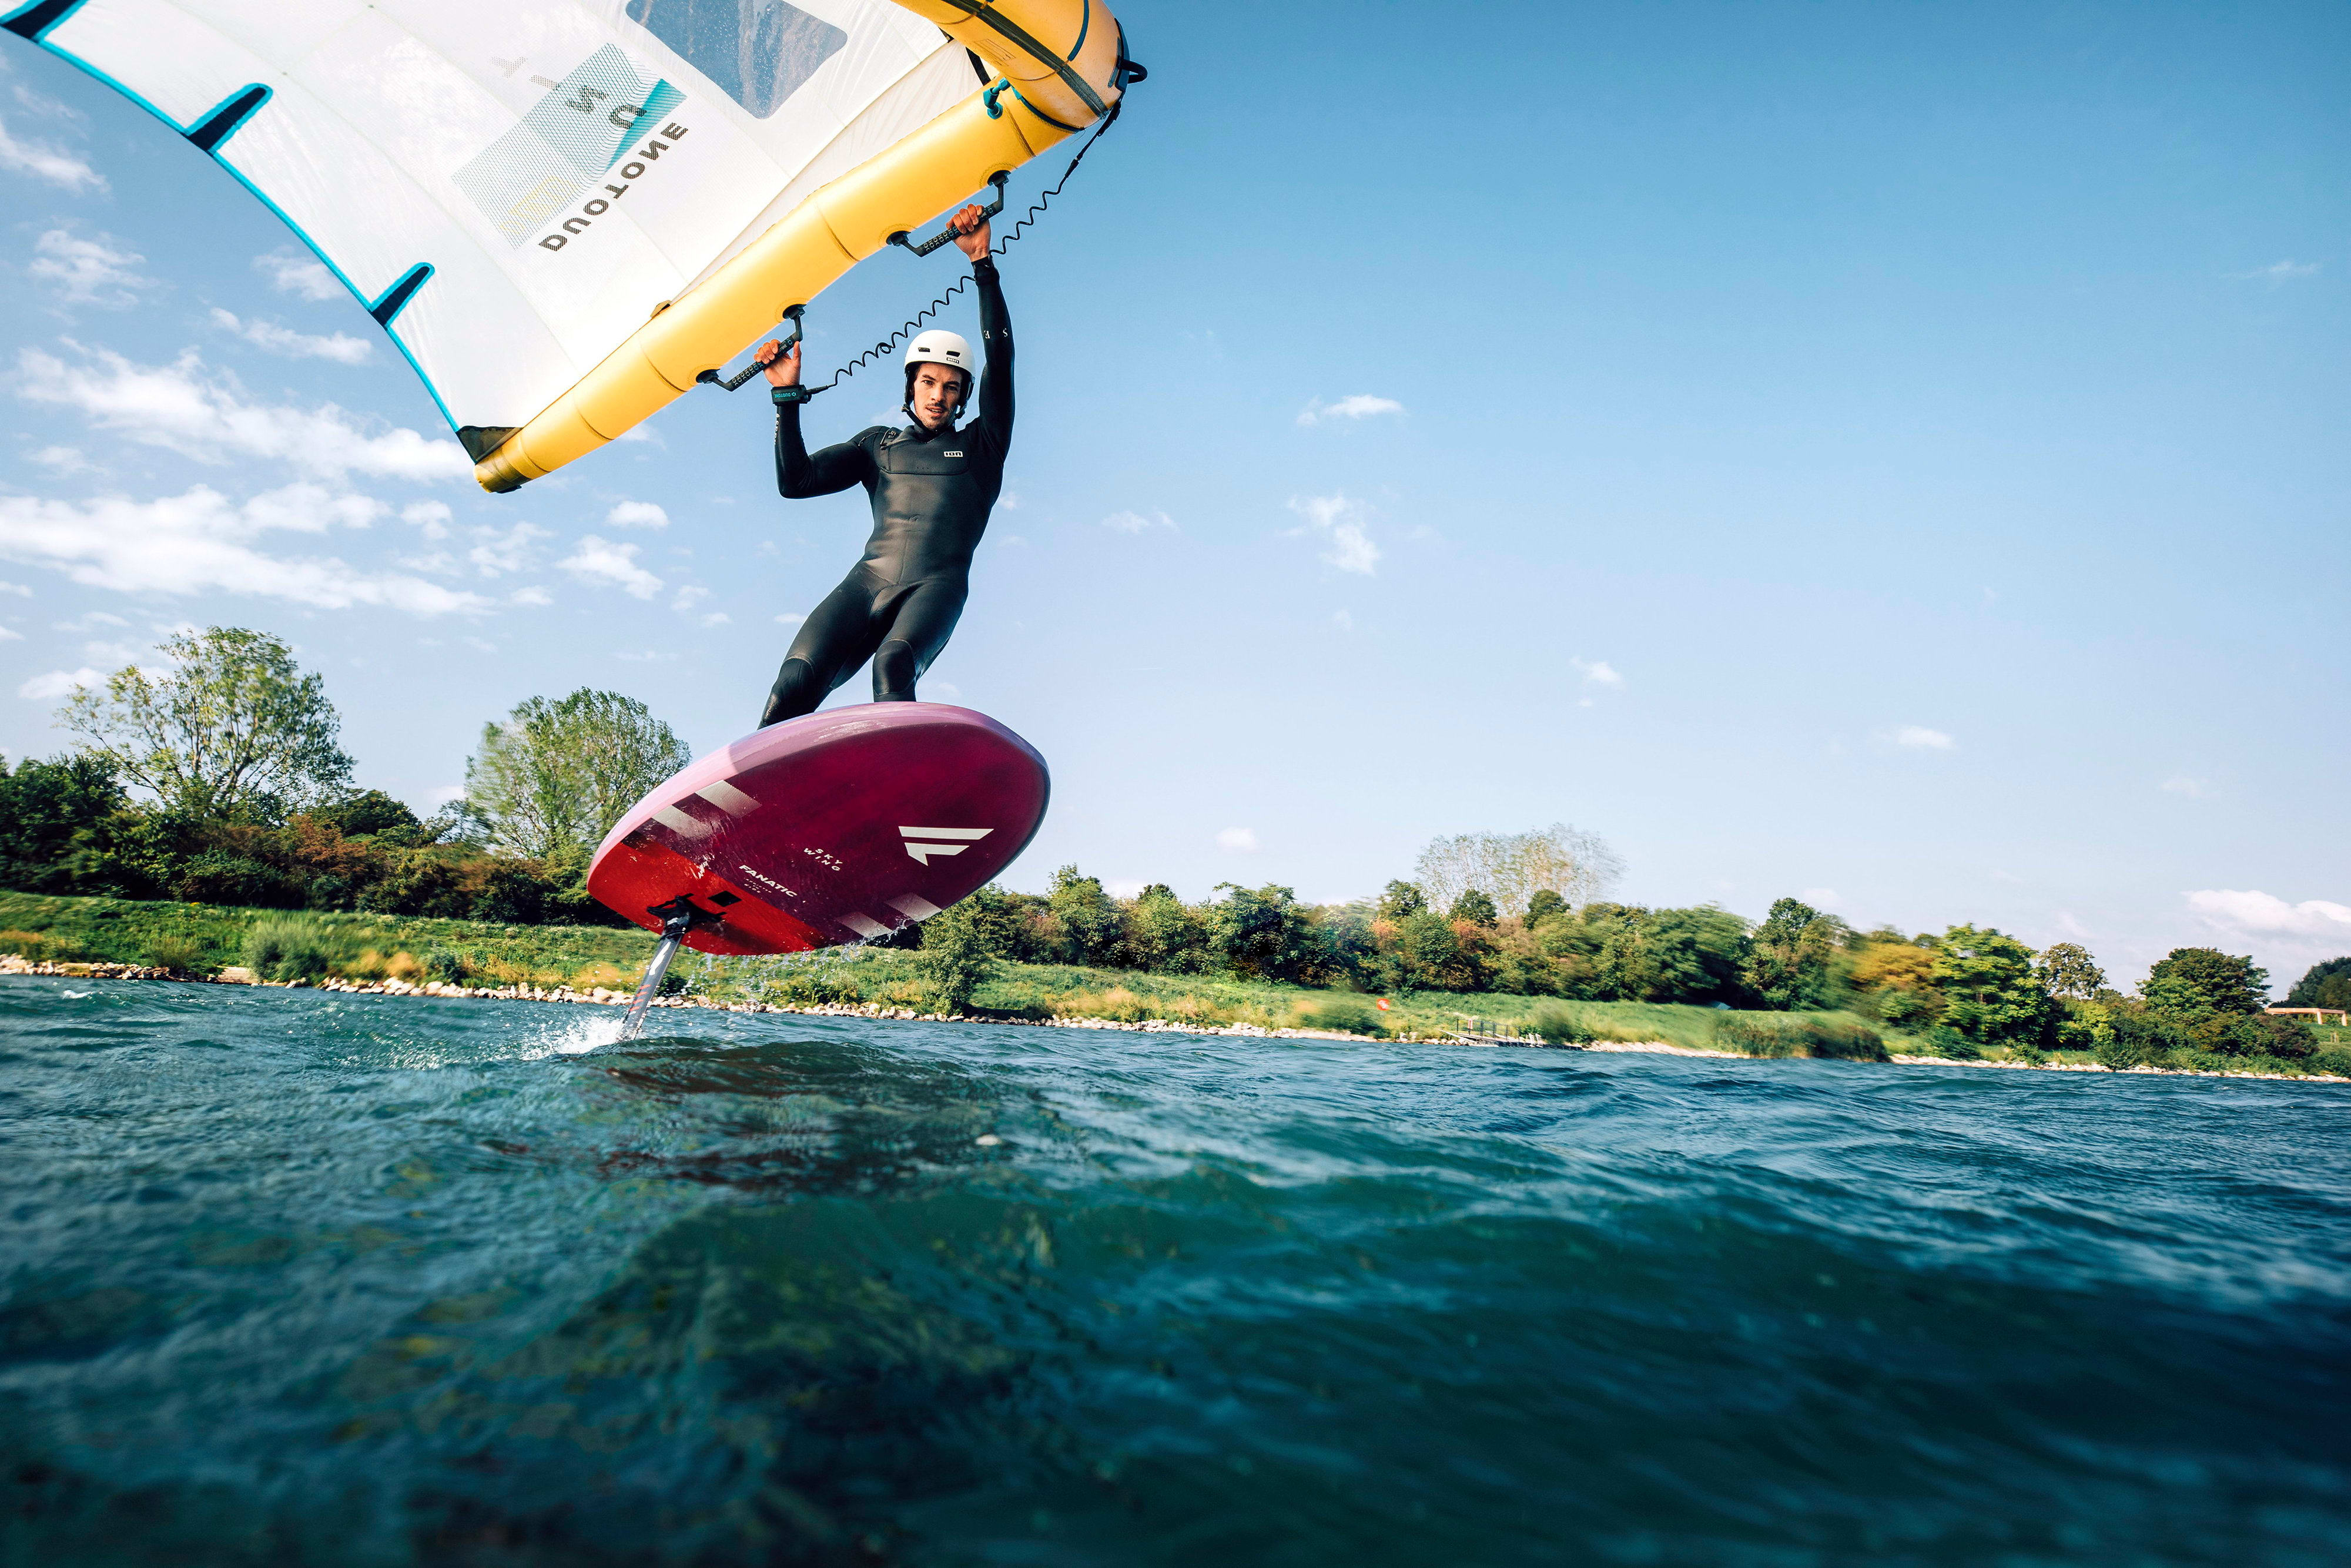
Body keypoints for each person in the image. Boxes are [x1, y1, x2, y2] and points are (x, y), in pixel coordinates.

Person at [751, 203, 1010, 726]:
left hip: (935, 587)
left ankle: (899, 771)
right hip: (868, 581)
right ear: (911, 386)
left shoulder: (983, 446)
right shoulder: (878, 446)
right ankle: (761, 777)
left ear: (964, 397)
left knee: (892, 666)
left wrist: (982, 262)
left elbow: (1001, 361)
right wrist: (786, 397)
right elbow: (796, 482)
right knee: (792, 683)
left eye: (951, 387)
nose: (937, 395)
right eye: (928, 382)